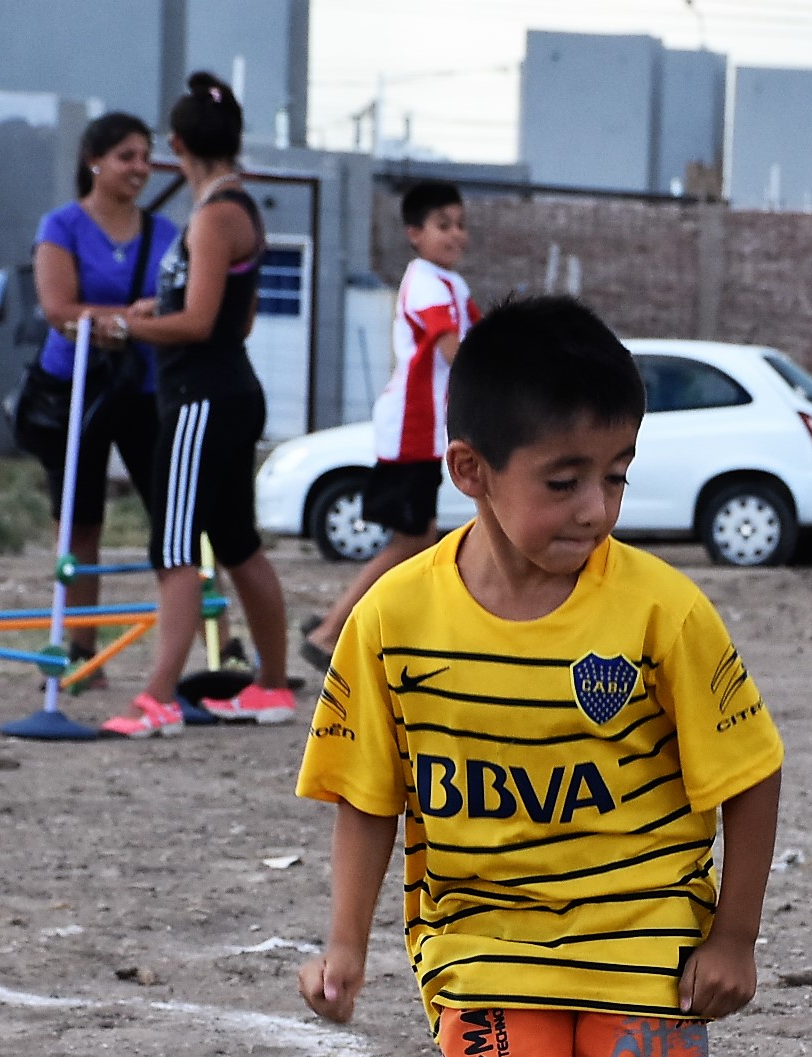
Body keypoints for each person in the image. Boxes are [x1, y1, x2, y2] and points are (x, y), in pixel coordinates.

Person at [294, 296, 783, 1057]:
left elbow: (750, 772)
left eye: (615, 475)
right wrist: (345, 943)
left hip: (643, 947)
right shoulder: (395, 619)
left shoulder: (662, 608)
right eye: (564, 479)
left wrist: (735, 936)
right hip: (483, 944)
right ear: (469, 469)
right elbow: (370, 789)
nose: (597, 509)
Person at [100, 72, 293, 736]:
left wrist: (128, 326)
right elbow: (233, 319)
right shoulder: (235, 207)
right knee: (237, 543)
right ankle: (271, 685)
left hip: (201, 400)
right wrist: (165, 308)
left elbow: (200, 325)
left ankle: (156, 699)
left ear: (174, 144)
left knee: (174, 547)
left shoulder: (214, 217)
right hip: (226, 390)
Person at [25, 111, 177, 679]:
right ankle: (80, 649)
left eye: (146, 156)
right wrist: (128, 318)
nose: (140, 168)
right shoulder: (61, 225)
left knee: (173, 516)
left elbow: (177, 306)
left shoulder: (165, 233)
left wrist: (127, 323)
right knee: (80, 521)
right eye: (127, 156)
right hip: (77, 388)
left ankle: (203, 644)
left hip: (144, 386)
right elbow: (59, 311)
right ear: (95, 159)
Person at [301, 178, 475, 665]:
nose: (456, 234)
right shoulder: (423, 282)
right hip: (413, 426)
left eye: (461, 225)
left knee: (419, 538)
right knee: (413, 539)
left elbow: (482, 337)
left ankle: (359, 625)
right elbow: (454, 350)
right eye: (444, 225)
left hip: (431, 427)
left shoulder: (451, 283)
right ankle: (330, 632)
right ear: (414, 233)